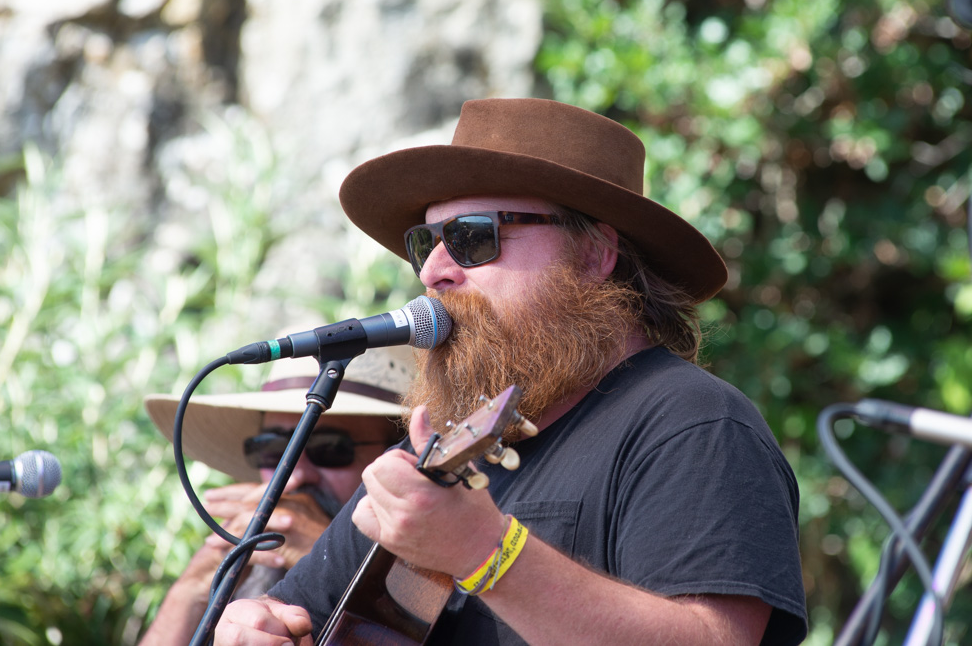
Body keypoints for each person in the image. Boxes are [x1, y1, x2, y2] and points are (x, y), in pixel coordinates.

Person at [213, 98, 808, 645]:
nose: (433, 272)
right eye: (426, 244)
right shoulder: (447, 446)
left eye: (473, 238)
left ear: (596, 253)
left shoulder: (693, 422)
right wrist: (256, 627)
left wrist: (486, 551)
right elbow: (306, 617)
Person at [139, 339, 413, 646]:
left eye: (330, 449)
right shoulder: (243, 553)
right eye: (272, 450)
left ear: (396, 454)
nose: (294, 476)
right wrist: (194, 587)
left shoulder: (429, 575)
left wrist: (330, 558)